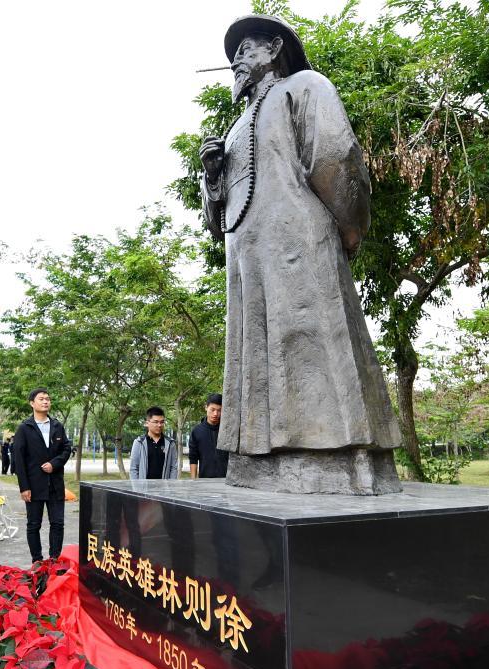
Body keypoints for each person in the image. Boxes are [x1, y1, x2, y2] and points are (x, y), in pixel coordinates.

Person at [199, 15, 401, 492]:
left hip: (300, 243)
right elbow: (216, 219)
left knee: (314, 338)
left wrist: (348, 231)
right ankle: (259, 460)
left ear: (274, 48)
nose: (237, 62)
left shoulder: (305, 87)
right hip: (248, 259)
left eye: (245, 50)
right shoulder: (233, 129)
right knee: (254, 352)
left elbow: (336, 158)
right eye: (233, 56)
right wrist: (212, 176)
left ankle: (339, 458)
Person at [13, 388, 73, 562]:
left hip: (55, 484)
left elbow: (66, 449)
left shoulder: (57, 426)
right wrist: (24, 487)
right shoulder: (25, 428)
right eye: (41, 399)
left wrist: (55, 464)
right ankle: (37, 561)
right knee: (33, 525)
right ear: (32, 403)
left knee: (58, 523)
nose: (46, 401)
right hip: (33, 485)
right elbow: (19, 459)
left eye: (48, 398)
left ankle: (55, 559)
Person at [128, 406, 179, 480]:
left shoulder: (170, 443)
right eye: (156, 422)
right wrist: (136, 486)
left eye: (162, 422)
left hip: (165, 486)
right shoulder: (139, 442)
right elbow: (134, 469)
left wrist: (171, 484)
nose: (159, 425)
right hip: (143, 486)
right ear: (147, 423)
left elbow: (173, 467)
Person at [189, 394, 228, 478]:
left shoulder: (228, 430)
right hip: (205, 479)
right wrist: (193, 480)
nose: (215, 414)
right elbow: (193, 458)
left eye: (219, 410)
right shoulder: (196, 431)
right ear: (206, 407)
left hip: (226, 479)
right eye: (212, 409)